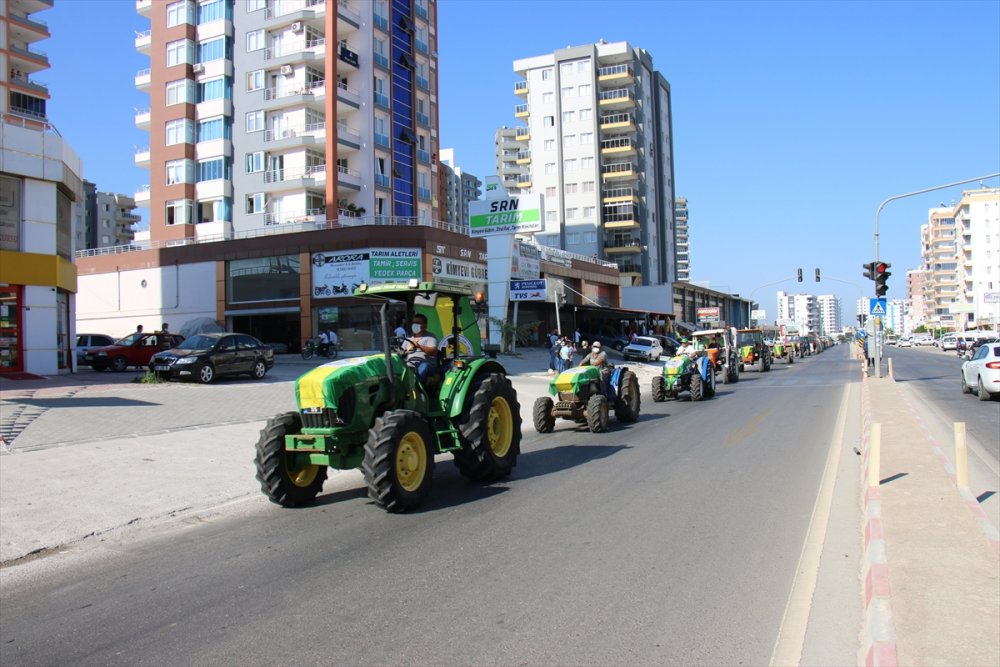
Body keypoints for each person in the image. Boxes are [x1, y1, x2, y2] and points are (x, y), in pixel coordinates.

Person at [402, 314, 439, 385]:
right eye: (414, 323)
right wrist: (406, 351)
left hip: (426, 365)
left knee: (424, 365)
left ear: (425, 325)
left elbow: (433, 352)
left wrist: (419, 346)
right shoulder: (409, 338)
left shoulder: (430, 337)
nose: (415, 325)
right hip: (409, 364)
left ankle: (414, 385)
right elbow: (402, 352)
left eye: (418, 323)